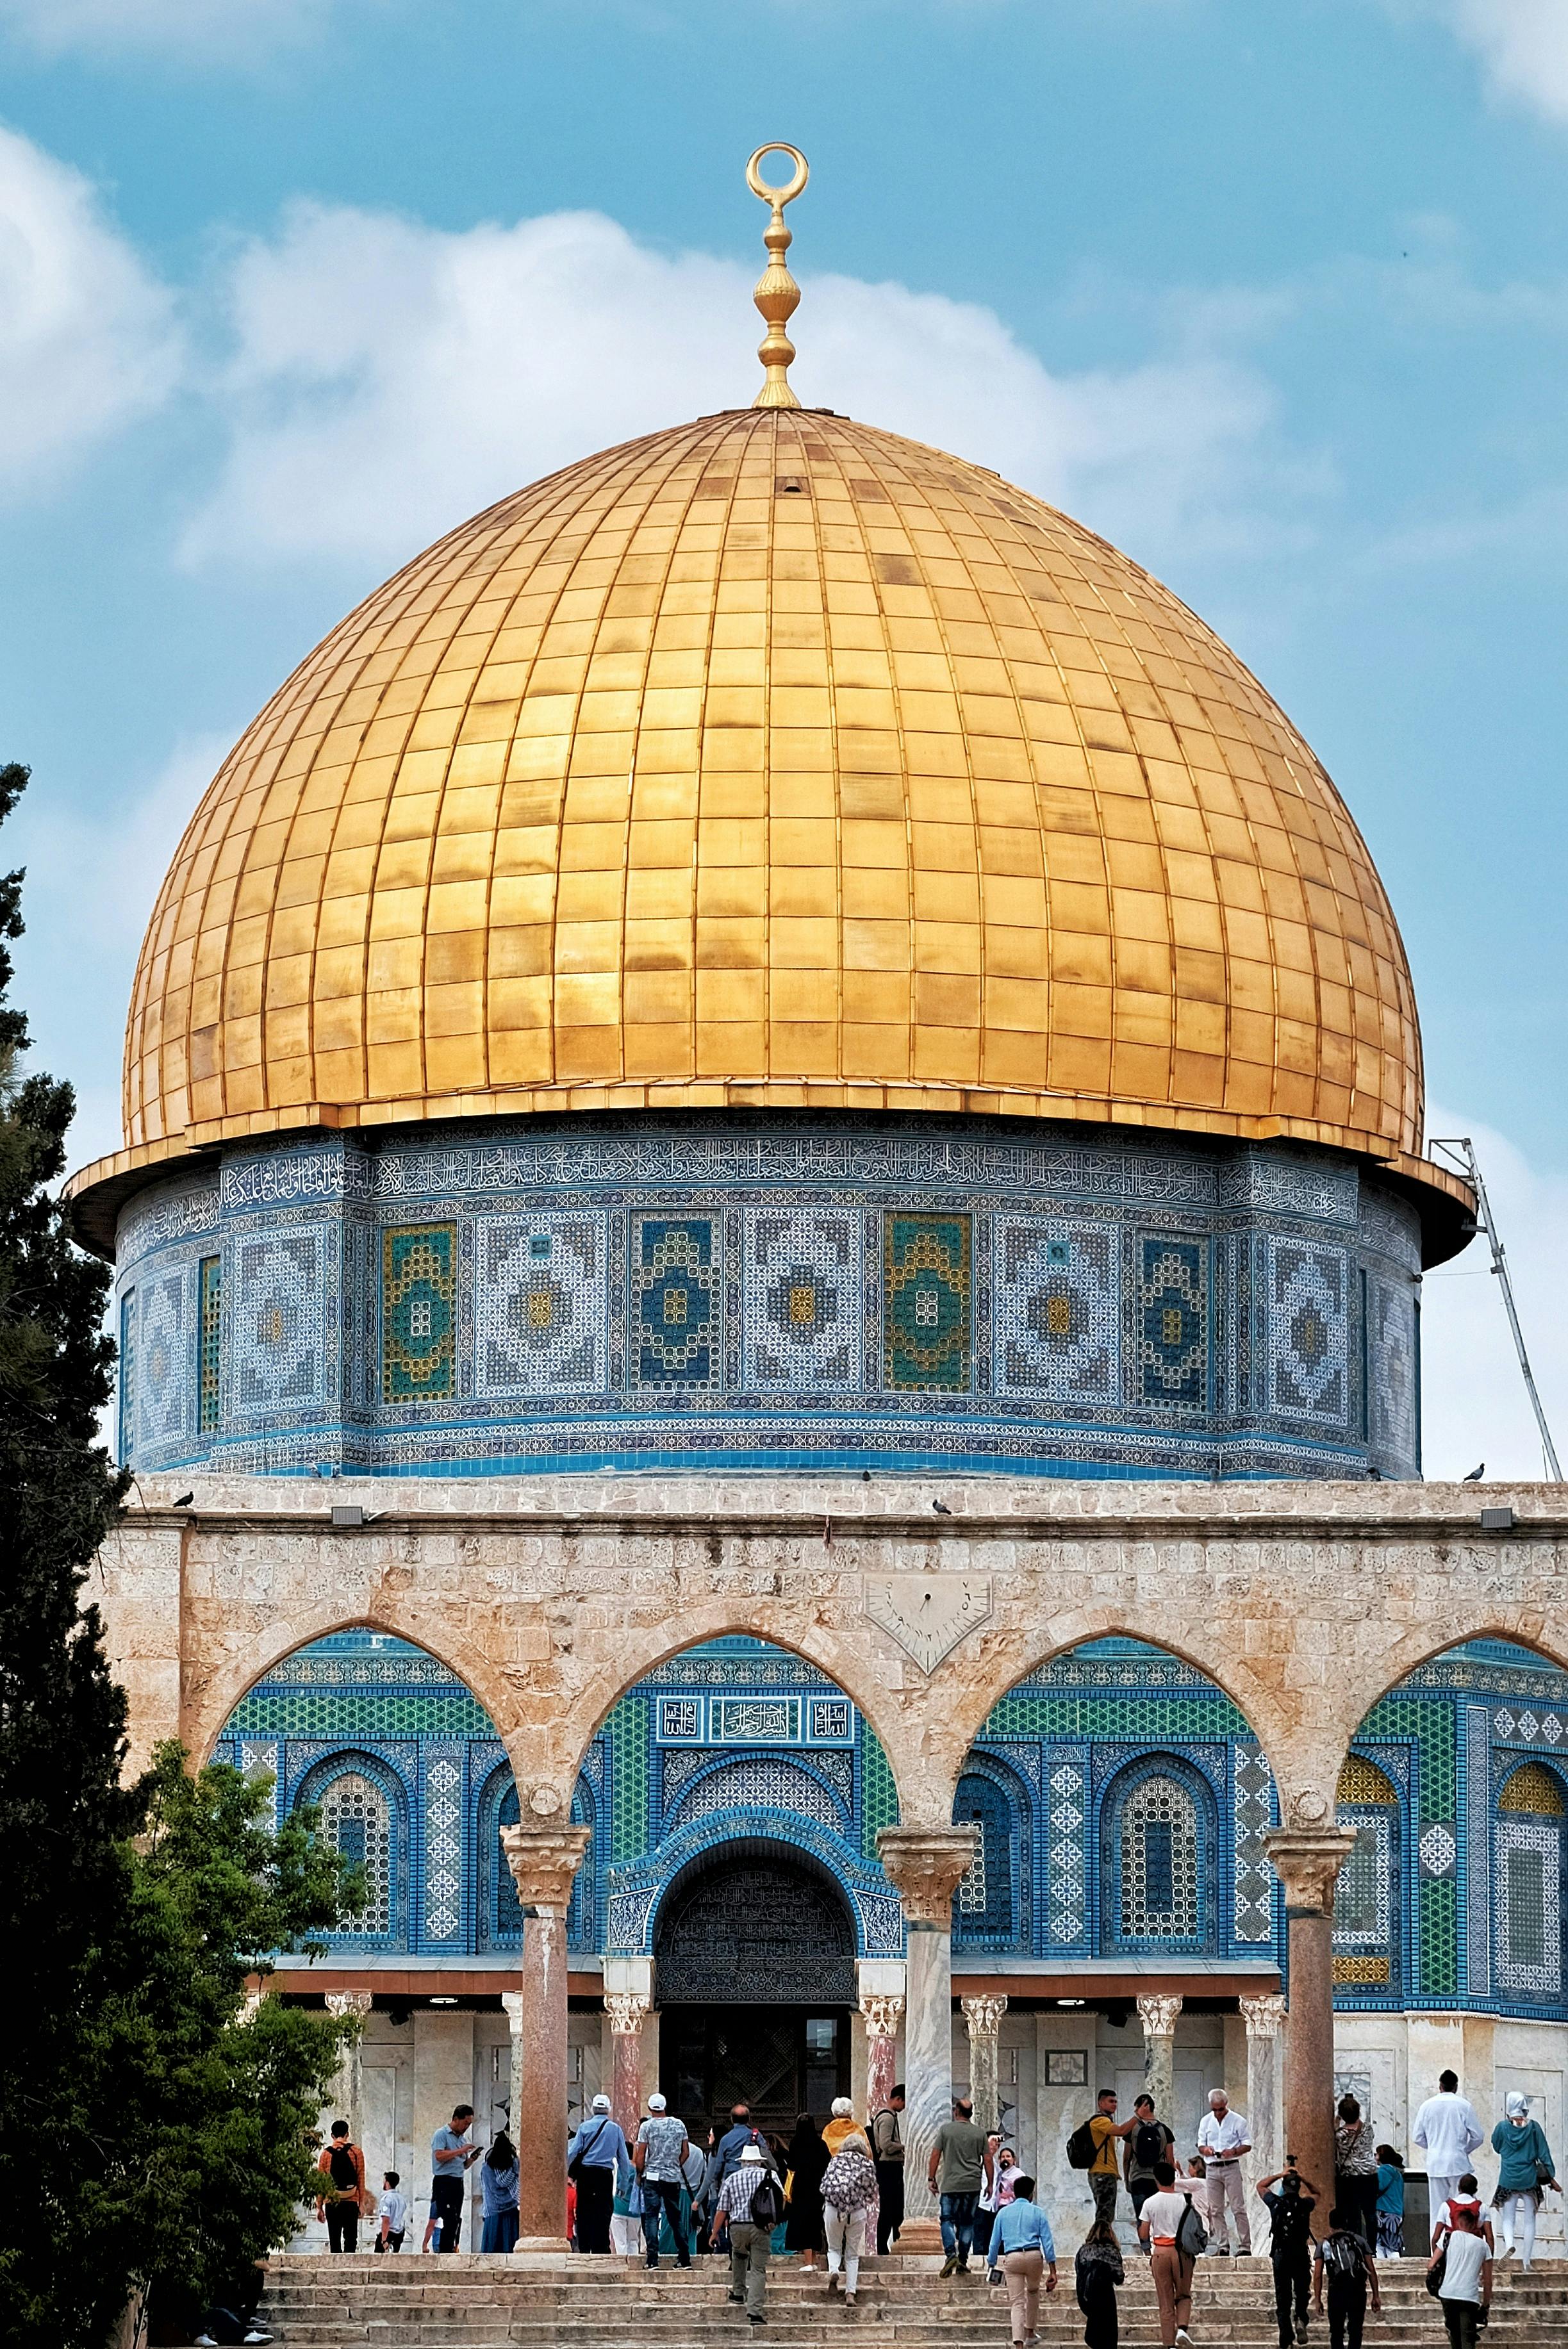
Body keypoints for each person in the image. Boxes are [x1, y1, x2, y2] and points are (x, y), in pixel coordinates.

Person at [714, 2142, 784, 2327]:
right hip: (761, 2227)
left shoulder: (732, 2179)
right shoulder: (771, 2176)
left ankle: (738, 2292)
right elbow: (781, 2199)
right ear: (760, 2161)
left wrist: (714, 2232)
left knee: (739, 2256)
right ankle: (755, 2312)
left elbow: (722, 2209)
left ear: (743, 2161)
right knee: (758, 2269)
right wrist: (774, 2221)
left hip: (737, 2227)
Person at [1414, 2070, 1485, 2246]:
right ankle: (1460, 2247)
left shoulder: (1426, 2106)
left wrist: (1434, 2148)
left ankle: (1436, 2252)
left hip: (1436, 2163)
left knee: (1438, 2211)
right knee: (1461, 2209)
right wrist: (1463, 2149)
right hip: (1458, 2162)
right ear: (1456, 2087)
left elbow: (1417, 2137)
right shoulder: (1464, 2106)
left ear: (1440, 2086)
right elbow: (1478, 2136)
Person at [986, 2173, 1058, 2349]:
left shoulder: (1003, 2213)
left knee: (1017, 2302)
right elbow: (1047, 2242)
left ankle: (1018, 2344)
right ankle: (1030, 2332)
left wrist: (992, 2263)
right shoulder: (1038, 2212)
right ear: (1031, 2194)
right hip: (1034, 2256)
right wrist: (1053, 2270)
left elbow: (995, 2242)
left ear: (1015, 2193)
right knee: (1033, 2292)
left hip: (1013, 2257)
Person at [1490, 2090, 1558, 2271]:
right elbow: (1544, 2152)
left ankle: (1509, 2246)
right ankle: (1527, 2262)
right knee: (1530, 2220)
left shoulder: (1502, 2128)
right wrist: (1551, 2174)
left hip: (1508, 2178)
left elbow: (1496, 2147)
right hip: (1529, 2180)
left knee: (1508, 2219)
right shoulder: (1534, 2128)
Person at [1256, 2157, 1319, 2349]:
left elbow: (1260, 2186)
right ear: (1298, 2188)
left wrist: (1281, 2175)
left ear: (1284, 2186)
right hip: (1300, 2253)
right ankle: (1300, 2317)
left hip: (1281, 2255)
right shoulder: (1305, 2204)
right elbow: (1317, 2192)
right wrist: (1303, 2178)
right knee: (1301, 2292)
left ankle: (1286, 2337)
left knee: (1282, 2298)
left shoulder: (1276, 2203)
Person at [1138, 2160, 1201, 2349]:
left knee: (1165, 2301)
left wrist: (1148, 2248)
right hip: (1182, 2253)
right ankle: (1182, 2329)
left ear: (1157, 2180)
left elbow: (1143, 2232)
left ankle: (1169, 2345)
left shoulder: (1150, 2202)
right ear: (1174, 2178)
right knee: (1183, 2295)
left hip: (1160, 2252)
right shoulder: (1186, 2200)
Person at [928, 2094, 994, 2275]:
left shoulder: (946, 2130)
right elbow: (987, 2159)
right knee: (967, 2223)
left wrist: (931, 2178)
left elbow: (935, 2155)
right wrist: (990, 2183)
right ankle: (963, 2259)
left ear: (956, 2112)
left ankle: (951, 2255)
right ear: (971, 2114)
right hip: (972, 2184)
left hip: (951, 2184)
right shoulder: (980, 2133)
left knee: (947, 2220)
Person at [820, 2119, 877, 2307]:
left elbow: (824, 2185)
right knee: (852, 2255)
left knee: (834, 2248)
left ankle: (834, 2269)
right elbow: (872, 2192)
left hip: (833, 2208)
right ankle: (850, 2293)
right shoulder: (867, 2165)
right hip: (857, 2211)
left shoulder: (835, 2161)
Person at [634, 2091, 692, 2270]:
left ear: (651, 2108)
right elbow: (686, 2152)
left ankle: (652, 2260)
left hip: (652, 2176)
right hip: (672, 2177)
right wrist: (674, 2165)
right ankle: (684, 2258)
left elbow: (641, 2154)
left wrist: (639, 2173)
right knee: (675, 2217)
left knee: (651, 2217)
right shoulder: (679, 2124)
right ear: (665, 2107)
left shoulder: (647, 2127)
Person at [566, 2092, 629, 2255]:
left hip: (586, 2174)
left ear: (593, 2109)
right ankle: (601, 2247)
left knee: (584, 2210)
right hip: (604, 2175)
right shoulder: (615, 2129)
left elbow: (573, 2153)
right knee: (603, 2210)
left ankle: (585, 2246)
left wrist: (566, 2172)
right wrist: (623, 2185)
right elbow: (623, 2159)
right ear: (608, 2110)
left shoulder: (584, 2128)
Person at [1312, 2205, 1380, 2349]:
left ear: (1330, 2224)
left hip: (1336, 2291)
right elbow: (1371, 2270)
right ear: (1346, 2222)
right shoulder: (1359, 2241)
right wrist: (1376, 2295)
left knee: (1336, 2332)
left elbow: (1317, 2275)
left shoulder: (1324, 2244)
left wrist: (1318, 2299)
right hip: (1357, 2290)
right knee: (1356, 2330)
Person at [1196, 2086, 1252, 2255]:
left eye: (1221, 2109)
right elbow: (1200, 2144)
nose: (1218, 2113)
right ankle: (1222, 2245)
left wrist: (1233, 2151)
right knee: (1215, 2209)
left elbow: (1247, 2144)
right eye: (1215, 2110)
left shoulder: (1238, 2121)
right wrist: (1206, 2150)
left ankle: (1245, 2245)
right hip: (1212, 2167)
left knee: (1238, 2207)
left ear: (1226, 2105)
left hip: (1231, 2166)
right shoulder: (1206, 2121)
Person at [1432, 2200, 1492, 2349]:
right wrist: (1486, 2304)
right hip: (1468, 2296)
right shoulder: (1483, 2246)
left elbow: (1431, 2264)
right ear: (1474, 2225)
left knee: (1454, 2334)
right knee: (1468, 2337)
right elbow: (1488, 2280)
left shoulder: (1449, 2238)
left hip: (1447, 2293)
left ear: (1458, 2223)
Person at [1125, 2094, 1176, 2247]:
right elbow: (1170, 2160)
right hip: (1157, 2181)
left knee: (1141, 2218)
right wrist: (1171, 2183)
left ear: (1145, 2106)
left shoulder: (1132, 2130)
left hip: (1137, 2179)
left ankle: (1146, 2251)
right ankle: (1160, 2247)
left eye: (1137, 2107)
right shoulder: (1165, 2130)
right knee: (1159, 2217)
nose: (1135, 2111)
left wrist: (1127, 2180)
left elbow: (1127, 2158)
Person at [429, 2103, 481, 2254]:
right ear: (456, 2119)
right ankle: (445, 2251)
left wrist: (471, 2159)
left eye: (469, 2124)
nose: (466, 2127)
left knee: (456, 2218)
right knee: (449, 2218)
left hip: (457, 2182)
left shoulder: (462, 2140)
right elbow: (439, 2156)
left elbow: (462, 2164)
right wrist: (461, 2150)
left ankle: (451, 2248)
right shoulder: (441, 2134)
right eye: (465, 2123)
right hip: (444, 2181)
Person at [1082, 2088, 1136, 2232]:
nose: (1114, 2105)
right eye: (1111, 2101)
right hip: (1102, 2173)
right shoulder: (1100, 2121)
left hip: (1105, 2173)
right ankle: (1100, 2242)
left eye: (1116, 2102)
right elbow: (1121, 2131)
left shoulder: (1106, 2122)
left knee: (1106, 2214)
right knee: (1104, 2215)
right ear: (1101, 2103)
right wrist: (1138, 2116)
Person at [1333, 2094, 1378, 2250]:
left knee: (1353, 2214)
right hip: (1370, 2174)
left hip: (1350, 2177)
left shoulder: (1340, 2135)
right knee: (1371, 2213)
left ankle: (1355, 2245)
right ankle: (1371, 2247)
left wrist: (1336, 2122)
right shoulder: (1368, 2129)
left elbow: (1335, 2145)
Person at [315, 2120, 368, 2253]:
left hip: (332, 2202)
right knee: (351, 2239)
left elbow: (321, 2184)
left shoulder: (325, 2155)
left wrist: (319, 2207)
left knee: (334, 2240)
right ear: (347, 2134)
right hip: (351, 2200)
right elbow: (361, 2179)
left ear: (332, 2136)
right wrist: (361, 2204)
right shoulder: (357, 2152)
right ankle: (351, 2270)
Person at [782, 2112, 827, 2268]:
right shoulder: (821, 2144)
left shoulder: (796, 2143)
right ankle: (813, 2260)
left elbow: (792, 2165)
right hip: (818, 2190)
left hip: (801, 2189)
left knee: (803, 2224)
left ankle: (808, 2262)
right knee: (815, 2223)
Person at [1075, 2212, 1125, 2349]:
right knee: (1109, 2334)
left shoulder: (1084, 2251)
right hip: (1105, 2296)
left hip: (1086, 2295)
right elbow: (1119, 2278)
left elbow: (1079, 2271)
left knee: (1095, 2330)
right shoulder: (1112, 2251)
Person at [872, 2083, 906, 2255]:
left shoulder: (890, 2116)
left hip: (890, 2167)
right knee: (890, 2207)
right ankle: (883, 2246)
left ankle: (894, 2244)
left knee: (895, 2208)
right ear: (898, 2099)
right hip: (889, 2166)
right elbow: (885, 2144)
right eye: (904, 2102)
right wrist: (902, 2147)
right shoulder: (887, 2118)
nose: (904, 2107)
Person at [479, 2129, 520, 2255]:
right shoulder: (515, 2167)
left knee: (492, 2248)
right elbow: (515, 2184)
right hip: (511, 2211)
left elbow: (487, 2188)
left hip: (492, 2212)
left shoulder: (486, 2168)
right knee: (509, 2245)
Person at [1373, 2146, 1404, 2260]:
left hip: (1384, 2211)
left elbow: (1378, 2187)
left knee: (1380, 2244)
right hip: (1396, 2212)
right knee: (1392, 2244)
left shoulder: (1383, 2171)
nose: (1375, 2157)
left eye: (1377, 2154)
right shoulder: (1398, 2173)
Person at [375, 2170, 408, 2254]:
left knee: (379, 2263)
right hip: (399, 2234)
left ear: (387, 2183)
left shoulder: (386, 2199)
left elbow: (386, 2220)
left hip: (387, 2235)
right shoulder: (401, 2199)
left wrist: (384, 2240)